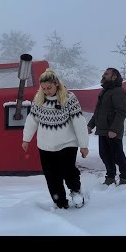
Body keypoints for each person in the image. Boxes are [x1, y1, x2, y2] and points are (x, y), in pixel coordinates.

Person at [22, 69, 89, 209]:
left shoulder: (69, 98)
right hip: (45, 145)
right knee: (51, 176)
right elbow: (31, 120)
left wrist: (83, 145)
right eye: (44, 88)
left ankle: (76, 192)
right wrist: (26, 139)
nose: (46, 91)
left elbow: (79, 122)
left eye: (49, 87)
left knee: (68, 170)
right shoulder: (39, 99)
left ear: (56, 84)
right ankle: (60, 201)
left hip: (67, 143)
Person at [87, 68, 126, 186]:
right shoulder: (104, 92)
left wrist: (114, 129)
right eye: (103, 74)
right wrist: (90, 125)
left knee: (117, 156)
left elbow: (121, 112)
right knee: (105, 155)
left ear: (114, 76)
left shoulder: (118, 91)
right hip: (102, 130)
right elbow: (98, 112)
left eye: (106, 74)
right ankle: (110, 177)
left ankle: (125, 178)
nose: (103, 75)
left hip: (112, 131)